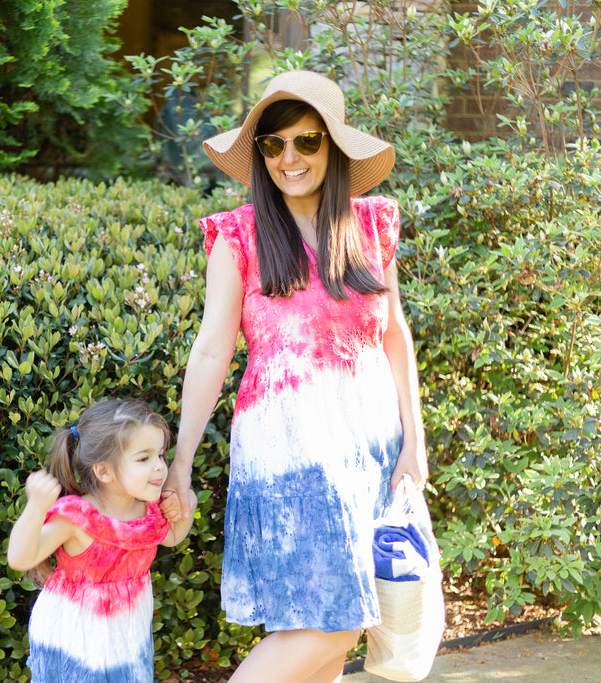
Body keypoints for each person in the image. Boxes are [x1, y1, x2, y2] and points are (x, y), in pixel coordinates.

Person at [161, 70, 429, 683]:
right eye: (273, 145)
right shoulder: (240, 236)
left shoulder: (371, 226)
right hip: (291, 454)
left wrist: (414, 441)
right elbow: (210, 353)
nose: (289, 158)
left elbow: (394, 334)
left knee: (332, 631)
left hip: (372, 447)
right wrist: (181, 461)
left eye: (305, 142)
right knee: (330, 622)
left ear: (332, 147)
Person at [7, 398, 197, 683]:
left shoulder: (149, 512)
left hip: (126, 636)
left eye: (160, 455)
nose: (159, 467)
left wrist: (186, 506)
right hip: (74, 638)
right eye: (144, 458)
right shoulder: (78, 517)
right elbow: (20, 559)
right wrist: (35, 508)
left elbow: (171, 537)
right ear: (104, 470)